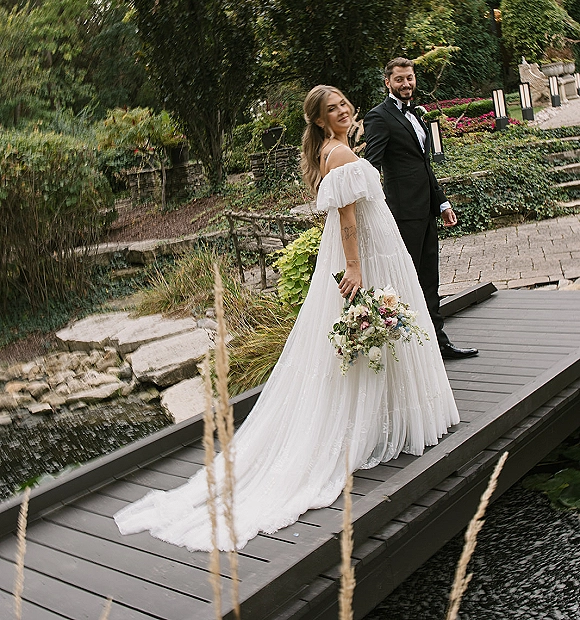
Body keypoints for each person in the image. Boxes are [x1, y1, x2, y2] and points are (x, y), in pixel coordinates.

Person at [114, 85, 459, 552]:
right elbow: (347, 221)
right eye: (332, 109)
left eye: (343, 104)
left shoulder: (339, 149)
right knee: (380, 329)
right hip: (368, 252)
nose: (343, 110)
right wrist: (356, 266)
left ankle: (391, 417)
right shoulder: (337, 156)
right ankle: (381, 423)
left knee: (387, 334)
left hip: (381, 245)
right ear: (319, 121)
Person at [364, 57, 478, 359]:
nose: (406, 84)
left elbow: (423, 164)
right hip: (402, 214)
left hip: (426, 210)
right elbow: (371, 166)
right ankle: (405, 352)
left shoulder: (416, 114)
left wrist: (441, 202)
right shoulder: (378, 117)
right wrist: (372, 209)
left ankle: (438, 345)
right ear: (388, 82)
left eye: (410, 78)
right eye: (399, 79)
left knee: (430, 280)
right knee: (404, 281)